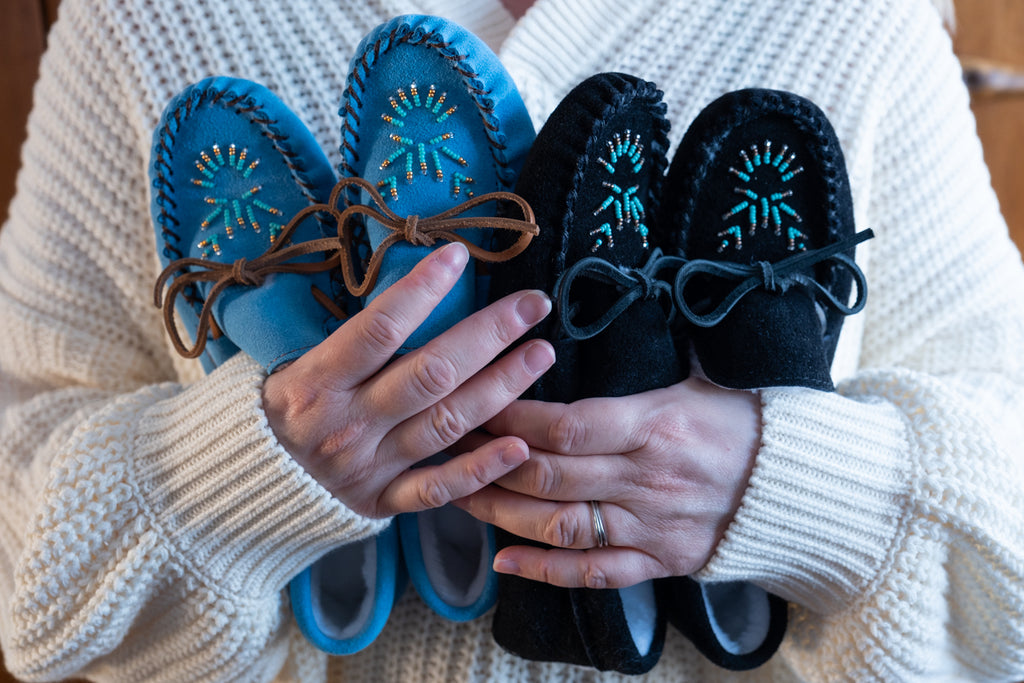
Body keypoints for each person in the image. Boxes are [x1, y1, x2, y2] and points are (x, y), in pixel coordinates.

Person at [0, 0, 1022, 682]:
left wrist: (797, 484)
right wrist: (244, 471)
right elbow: (18, 546)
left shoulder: (850, 16)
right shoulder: (149, 16)